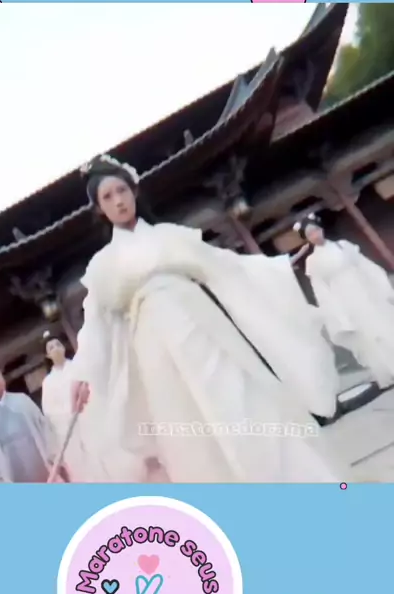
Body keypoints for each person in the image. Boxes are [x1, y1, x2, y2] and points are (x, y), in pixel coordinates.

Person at [67, 153, 348, 484]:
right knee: (188, 426)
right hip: (155, 351)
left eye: (121, 190)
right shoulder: (103, 265)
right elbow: (95, 325)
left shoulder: (170, 235)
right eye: (108, 197)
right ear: (100, 209)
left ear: (134, 191)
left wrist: (277, 267)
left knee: (238, 399)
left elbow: (227, 265)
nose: (118, 201)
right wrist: (81, 374)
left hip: (203, 329)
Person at [295, 214, 394, 390]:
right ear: (307, 239)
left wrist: (380, 285)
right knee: (369, 336)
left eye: (316, 230)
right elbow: (321, 291)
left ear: (321, 229)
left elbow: (364, 265)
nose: (315, 235)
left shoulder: (343, 245)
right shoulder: (312, 261)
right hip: (345, 299)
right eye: (310, 234)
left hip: (364, 289)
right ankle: (388, 369)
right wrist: (337, 315)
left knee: (385, 324)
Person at [0, 365, 57, 483]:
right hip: (9, 474)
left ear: (3, 379)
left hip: (39, 464)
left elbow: (43, 426)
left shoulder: (22, 399)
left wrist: (53, 455)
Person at [41, 332, 96, 481]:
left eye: (58, 344)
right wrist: (68, 413)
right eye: (51, 348)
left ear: (64, 347)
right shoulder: (48, 382)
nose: (56, 349)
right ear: (47, 355)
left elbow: (91, 388)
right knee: (81, 469)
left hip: (89, 420)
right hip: (67, 429)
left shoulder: (78, 368)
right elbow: (49, 411)